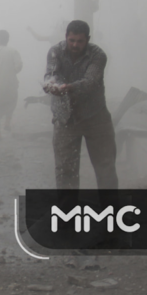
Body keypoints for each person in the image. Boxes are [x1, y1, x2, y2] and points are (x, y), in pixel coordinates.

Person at [42, 20, 118, 189]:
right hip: (65, 118)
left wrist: (68, 88)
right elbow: (51, 74)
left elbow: (90, 81)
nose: (75, 45)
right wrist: (51, 85)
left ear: (88, 39)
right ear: (66, 37)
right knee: (65, 170)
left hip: (96, 118)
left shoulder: (98, 55)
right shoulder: (55, 51)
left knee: (105, 168)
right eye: (72, 40)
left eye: (80, 41)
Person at [0, 29, 23, 138]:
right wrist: (12, 71)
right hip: (9, 84)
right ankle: (7, 121)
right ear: (8, 39)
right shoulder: (13, 51)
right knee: (11, 102)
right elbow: (19, 65)